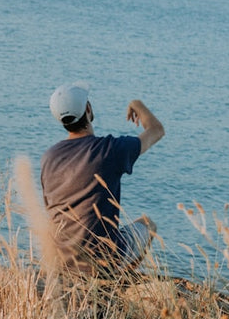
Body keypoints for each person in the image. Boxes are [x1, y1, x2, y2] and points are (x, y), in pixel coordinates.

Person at [40, 82, 164, 277]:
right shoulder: (109, 150)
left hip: (61, 259)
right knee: (148, 224)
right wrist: (137, 104)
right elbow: (156, 130)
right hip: (104, 260)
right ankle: (117, 280)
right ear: (88, 109)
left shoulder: (49, 157)